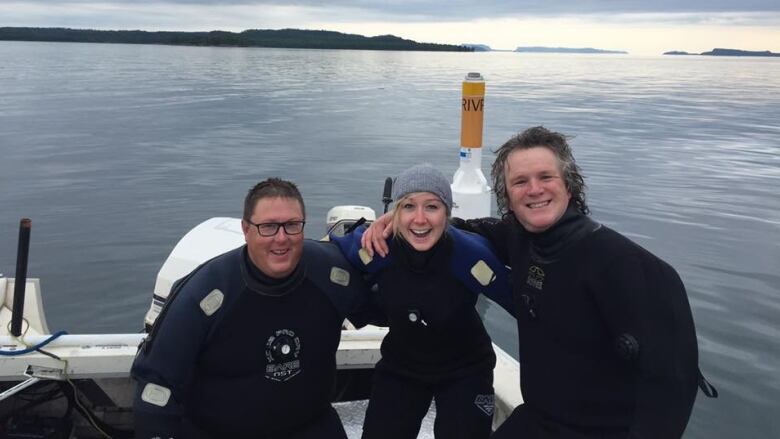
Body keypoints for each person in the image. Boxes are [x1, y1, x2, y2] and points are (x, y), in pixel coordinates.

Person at [363, 127, 708, 438]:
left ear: (569, 185)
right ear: (507, 196)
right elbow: (460, 232)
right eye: (520, 182)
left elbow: (674, 385)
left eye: (546, 177)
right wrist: (394, 222)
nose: (534, 190)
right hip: (541, 420)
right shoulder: (519, 239)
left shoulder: (630, 267)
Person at [131, 178, 374, 439]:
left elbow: (388, 307)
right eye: (268, 227)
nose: (281, 238)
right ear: (246, 230)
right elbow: (157, 384)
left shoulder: (330, 274)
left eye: (292, 225)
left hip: (309, 425)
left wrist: (400, 244)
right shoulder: (207, 292)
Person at [330, 164, 514, 439]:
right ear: (395, 214)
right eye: (408, 207)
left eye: (432, 207)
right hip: (402, 366)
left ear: (447, 213)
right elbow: (323, 256)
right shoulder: (376, 247)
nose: (419, 219)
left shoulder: (470, 256)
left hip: (466, 369)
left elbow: (526, 306)